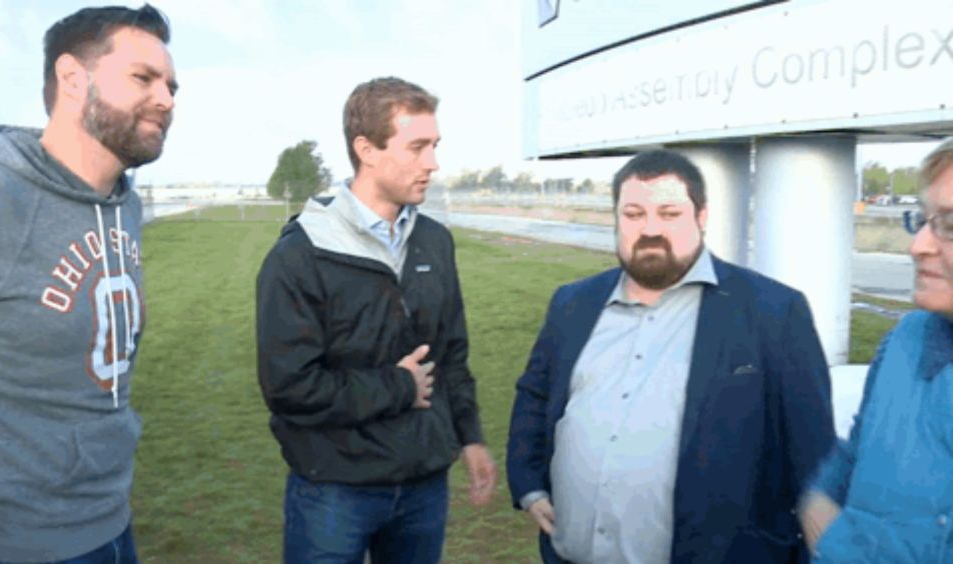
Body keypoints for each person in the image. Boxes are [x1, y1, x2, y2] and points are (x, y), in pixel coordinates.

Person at [506, 149, 836, 563]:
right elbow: (534, 397)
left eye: (668, 213)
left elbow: (814, 456)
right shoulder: (573, 303)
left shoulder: (773, 312)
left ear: (701, 217)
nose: (650, 229)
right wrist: (528, 484)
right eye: (633, 214)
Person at [0, 4, 176, 562]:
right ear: (74, 79)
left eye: (172, 85)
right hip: (10, 542)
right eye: (143, 78)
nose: (168, 100)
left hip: (109, 515)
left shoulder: (122, 202)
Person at [256, 76, 496, 563]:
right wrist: (399, 388)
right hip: (335, 491)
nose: (433, 163)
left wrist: (469, 437)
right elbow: (289, 386)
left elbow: (451, 351)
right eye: (418, 147)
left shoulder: (435, 242)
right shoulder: (300, 255)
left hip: (424, 487)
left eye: (435, 145)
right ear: (366, 149)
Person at [800, 139, 953, 563]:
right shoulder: (907, 337)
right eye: (923, 220)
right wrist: (818, 509)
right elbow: (856, 452)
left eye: (950, 226)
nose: (918, 245)